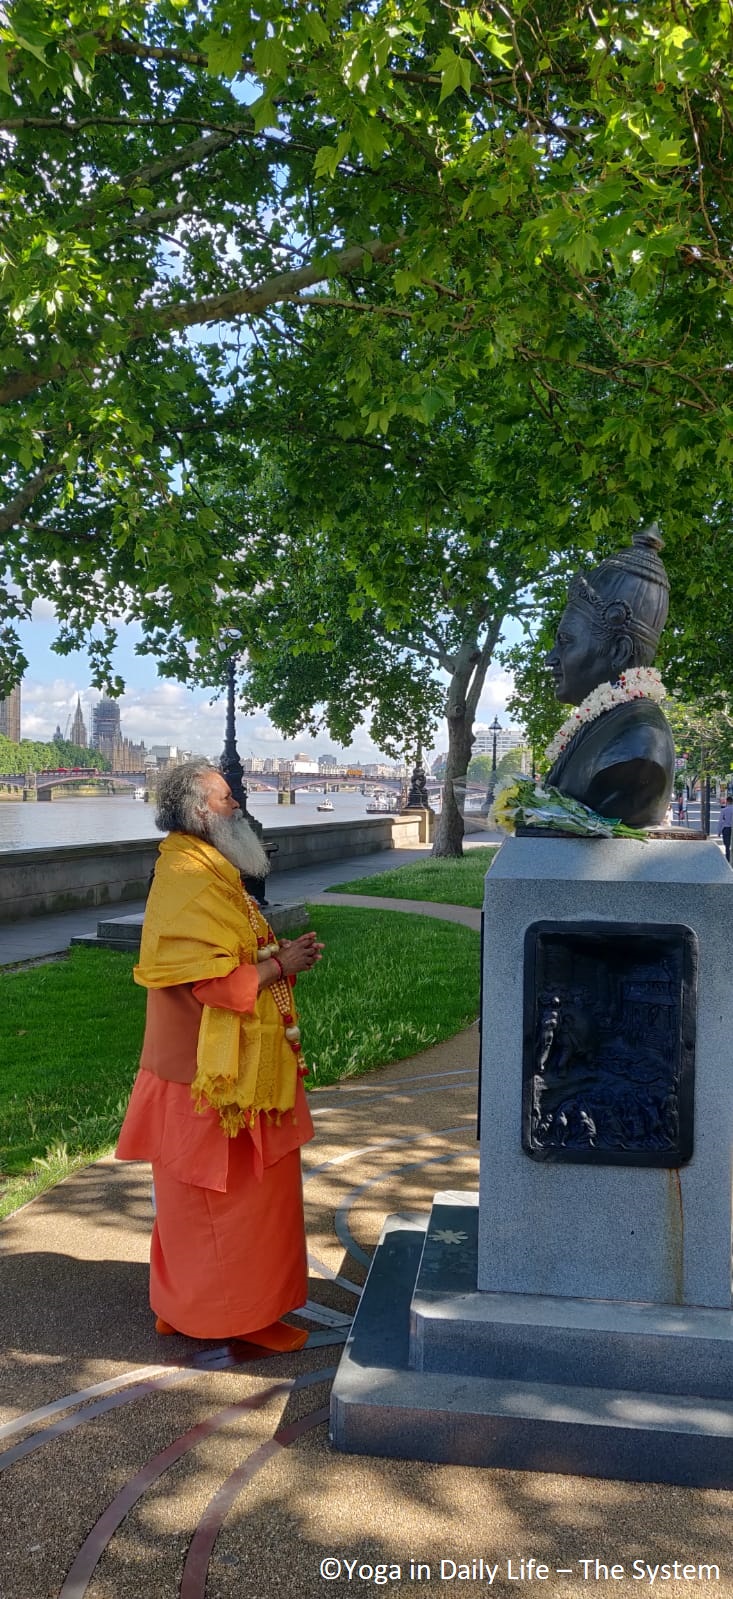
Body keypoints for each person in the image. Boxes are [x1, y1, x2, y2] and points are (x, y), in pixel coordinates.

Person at [116, 760, 324, 1351]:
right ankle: (243, 1321)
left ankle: (182, 1308)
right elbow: (206, 983)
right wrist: (280, 966)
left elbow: (228, 953)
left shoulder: (205, 866)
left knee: (192, 1204)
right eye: (228, 797)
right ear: (200, 811)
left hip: (211, 1070)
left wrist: (276, 954)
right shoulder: (189, 872)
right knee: (232, 1202)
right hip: (210, 1077)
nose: (240, 804)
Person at [544, 525, 675, 827]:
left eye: (565, 642)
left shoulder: (640, 746)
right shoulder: (607, 721)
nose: (551, 658)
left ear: (618, 650)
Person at [718, 794, 732, 862]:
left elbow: (720, 822)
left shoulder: (724, 810)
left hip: (726, 829)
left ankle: (728, 859)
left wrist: (719, 831)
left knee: (727, 845)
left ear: (727, 801)